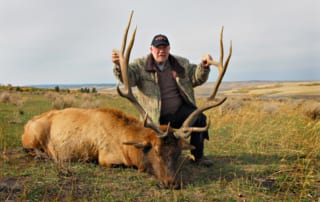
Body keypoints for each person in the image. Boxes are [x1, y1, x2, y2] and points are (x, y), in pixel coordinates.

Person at [111, 34, 214, 166]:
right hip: (155, 117)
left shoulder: (180, 63)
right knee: (156, 144)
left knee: (199, 118)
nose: (161, 51)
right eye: (158, 47)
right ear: (151, 49)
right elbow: (129, 79)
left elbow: (196, 77)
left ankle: (198, 156)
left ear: (169, 49)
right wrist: (120, 66)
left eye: (165, 47)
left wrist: (204, 67)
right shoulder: (140, 65)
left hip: (178, 112)